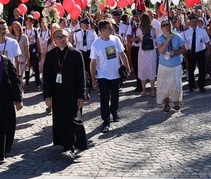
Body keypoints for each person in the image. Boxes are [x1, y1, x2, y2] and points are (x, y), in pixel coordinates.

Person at [42, 28, 88, 160]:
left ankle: (70, 148)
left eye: (64, 36)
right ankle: (66, 144)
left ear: (68, 38)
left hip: (73, 94)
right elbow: (47, 77)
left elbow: (81, 76)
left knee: (72, 120)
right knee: (61, 119)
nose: (61, 39)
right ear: (54, 40)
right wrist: (47, 95)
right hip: (57, 94)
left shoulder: (76, 54)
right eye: (58, 37)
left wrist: (81, 95)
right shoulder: (51, 56)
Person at [90, 20, 131, 132]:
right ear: (102, 30)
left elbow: (122, 55)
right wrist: (93, 79)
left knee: (115, 97)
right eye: (109, 28)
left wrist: (127, 68)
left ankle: (114, 111)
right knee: (104, 99)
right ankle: (106, 121)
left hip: (116, 74)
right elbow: (93, 62)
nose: (112, 30)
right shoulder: (95, 44)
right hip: (103, 76)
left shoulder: (115, 39)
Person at [156, 19, 186, 111]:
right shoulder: (160, 38)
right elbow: (160, 51)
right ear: (161, 28)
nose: (166, 26)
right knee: (165, 85)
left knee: (176, 84)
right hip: (164, 65)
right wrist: (167, 41)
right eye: (164, 25)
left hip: (176, 64)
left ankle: (176, 101)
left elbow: (184, 49)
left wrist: (176, 52)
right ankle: (166, 104)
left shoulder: (177, 36)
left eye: (167, 24)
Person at [183, 14, 210, 93]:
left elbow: (207, 42)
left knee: (202, 69)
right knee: (191, 70)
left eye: (195, 21)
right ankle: (191, 86)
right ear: (189, 22)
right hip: (191, 53)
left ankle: (201, 86)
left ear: (198, 22)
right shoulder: (185, 33)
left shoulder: (202, 31)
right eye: (192, 21)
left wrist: (210, 51)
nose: (194, 23)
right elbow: (182, 44)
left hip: (200, 52)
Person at [137, 13, 158, 96]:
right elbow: (155, 37)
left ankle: (144, 91)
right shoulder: (153, 29)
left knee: (143, 70)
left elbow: (139, 38)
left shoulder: (139, 29)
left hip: (143, 51)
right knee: (151, 69)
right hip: (151, 51)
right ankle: (153, 91)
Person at [9, 21, 29, 91]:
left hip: (22, 58)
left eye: (17, 27)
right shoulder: (10, 36)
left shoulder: (24, 37)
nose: (16, 28)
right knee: (15, 74)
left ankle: (21, 89)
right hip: (13, 58)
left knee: (20, 75)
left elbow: (27, 50)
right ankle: (15, 89)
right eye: (14, 27)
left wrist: (28, 60)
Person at [23, 15, 41, 90]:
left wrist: (39, 52)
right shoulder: (23, 30)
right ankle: (27, 81)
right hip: (26, 49)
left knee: (35, 67)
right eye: (27, 21)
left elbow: (38, 41)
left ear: (32, 22)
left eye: (30, 21)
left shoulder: (35, 30)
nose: (28, 22)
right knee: (27, 66)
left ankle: (37, 83)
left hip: (33, 49)